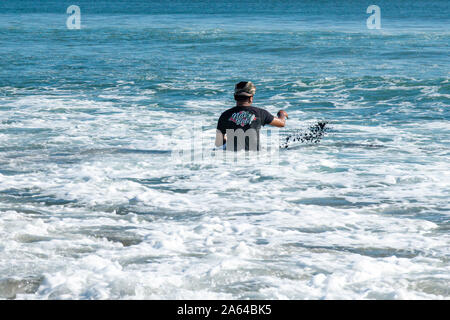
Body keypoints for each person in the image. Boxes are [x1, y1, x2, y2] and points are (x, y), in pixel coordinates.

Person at [215, 81, 288, 151]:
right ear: (251, 98)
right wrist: (281, 114)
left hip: (232, 159)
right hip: (254, 159)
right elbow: (281, 123)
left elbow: (219, 142)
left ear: (235, 97)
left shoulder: (225, 115)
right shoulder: (260, 113)